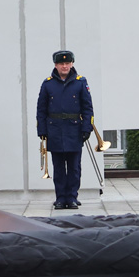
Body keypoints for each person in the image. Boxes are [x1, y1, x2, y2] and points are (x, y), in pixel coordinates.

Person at [36, 50, 94, 209]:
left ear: (72, 64)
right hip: (54, 130)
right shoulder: (48, 84)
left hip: (74, 130)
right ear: (55, 65)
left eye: (67, 63)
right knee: (59, 167)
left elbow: (87, 108)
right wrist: (42, 130)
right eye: (61, 63)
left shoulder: (80, 82)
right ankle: (61, 198)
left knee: (74, 167)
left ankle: (72, 197)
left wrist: (86, 128)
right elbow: (41, 109)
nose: (65, 66)